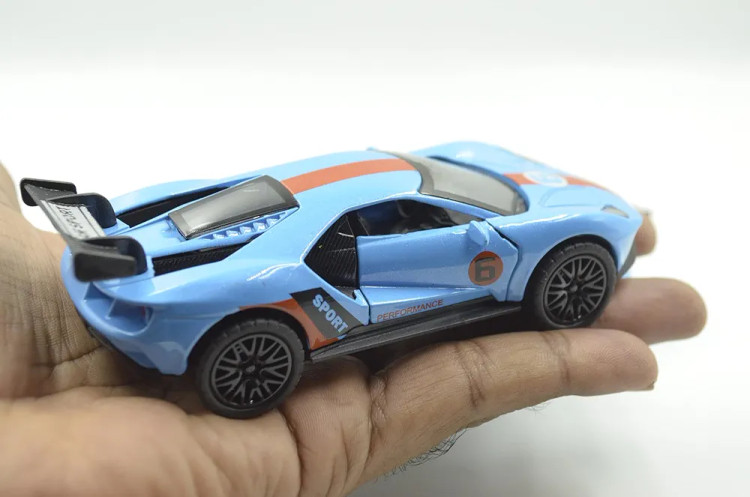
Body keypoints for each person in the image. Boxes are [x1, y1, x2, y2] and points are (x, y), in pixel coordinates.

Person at [0, 162, 705, 497]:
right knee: (267, 322)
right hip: (332, 286)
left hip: (311, 248)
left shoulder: (451, 158)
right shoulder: (186, 294)